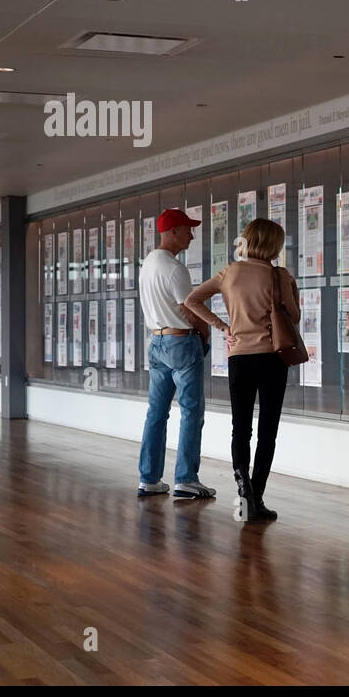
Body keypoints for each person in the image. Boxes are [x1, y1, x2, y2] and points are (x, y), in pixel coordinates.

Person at [184, 218, 299, 523]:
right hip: (273, 359)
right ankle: (256, 497)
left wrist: (223, 326)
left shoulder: (230, 272)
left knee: (241, 427)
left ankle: (242, 486)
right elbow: (294, 318)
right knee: (267, 430)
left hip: (240, 359)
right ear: (273, 245)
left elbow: (191, 300)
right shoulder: (280, 276)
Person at [137, 207, 215, 500]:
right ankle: (186, 478)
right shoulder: (173, 267)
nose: (191, 235)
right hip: (181, 343)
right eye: (187, 229)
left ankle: (149, 478)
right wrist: (206, 329)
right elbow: (188, 307)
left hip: (156, 343)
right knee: (192, 412)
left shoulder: (148, 264)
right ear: (172, 232)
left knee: (156, 413)